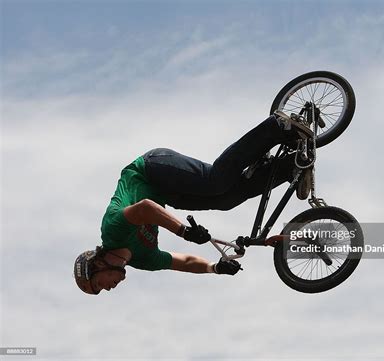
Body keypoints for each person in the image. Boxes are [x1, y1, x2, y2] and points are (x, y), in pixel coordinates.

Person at [73, 112, 313, 295]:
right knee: (227, 200)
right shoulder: (141, 260)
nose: (108, 289)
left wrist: (184, 231)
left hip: (151, 170)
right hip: (168, 194)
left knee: (215, 183)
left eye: (99, 285)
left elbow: (146, 208)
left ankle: (275, 127)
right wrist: (214, 268)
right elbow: (184, 262)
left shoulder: (112, 231)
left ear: (97, 265)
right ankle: (290, 166)